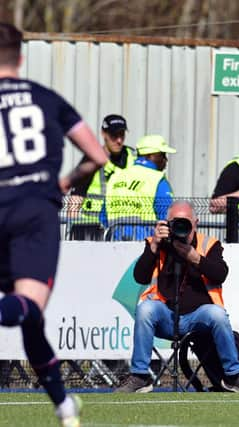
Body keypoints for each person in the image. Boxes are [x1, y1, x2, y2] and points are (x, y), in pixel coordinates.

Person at [0, 23, 108, 427]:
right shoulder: (45, 98)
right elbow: (97, 155)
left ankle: (64, 406)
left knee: (30, 321)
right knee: (25, 308)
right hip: (33, 210)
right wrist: (64, 181)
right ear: (21, 58)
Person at [115, 201, 239, 393]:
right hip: (165, 314)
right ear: (166, 224)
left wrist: (194, 257)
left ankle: (234, 376)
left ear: (196, 223)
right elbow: (140, 277)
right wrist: (153, 245)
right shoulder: (157, 244)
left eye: (185, 223)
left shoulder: (208, 244)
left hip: (198, 317)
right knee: (145, 308)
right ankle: (140, 376)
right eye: (175, 223)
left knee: (217, 314)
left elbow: (220, 274)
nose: (181, 228)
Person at [68, 114, 136, 239]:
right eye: (114, 135)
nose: (119, 140)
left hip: (123, 230)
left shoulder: (134, 158)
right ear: (103, 134)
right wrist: (71, 230)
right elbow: (75, 199)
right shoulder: (91, 160)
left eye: (122, 135)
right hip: (91, 231)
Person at [104, 134, 175, 241]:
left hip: (114, 243)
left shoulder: (116, 177)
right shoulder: (157, 179)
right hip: (146, 245)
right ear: (150, 155)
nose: (166, 160)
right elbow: (167, 217)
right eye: (162, 155)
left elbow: (103, 215)